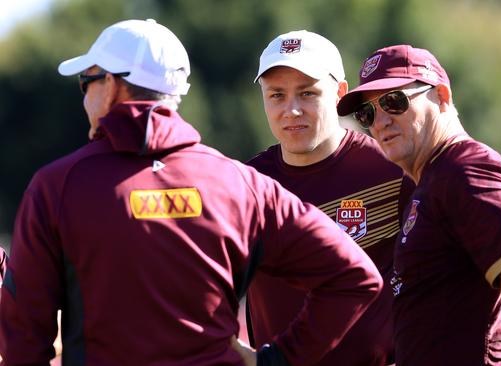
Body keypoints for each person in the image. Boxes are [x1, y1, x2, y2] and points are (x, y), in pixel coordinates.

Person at [0, 19, 384, 366]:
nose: (85, 97)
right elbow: (355, 276)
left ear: (112, 86)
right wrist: (279, 361)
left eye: (87, 82)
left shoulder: (58, 185)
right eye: (277, 94)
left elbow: (23, 338)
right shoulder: (240, 182)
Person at [337, 45, 501, 366]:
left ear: (441, 96)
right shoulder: (433, 180)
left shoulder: (464, 169)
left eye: (394, 101)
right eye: (367, 113)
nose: (380, 122)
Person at [246, 30, 414, 365]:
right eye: (277, 95)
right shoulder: (245, 184)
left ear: (340, 93)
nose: (291, 111)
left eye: (307, 93)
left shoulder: (393, 171)